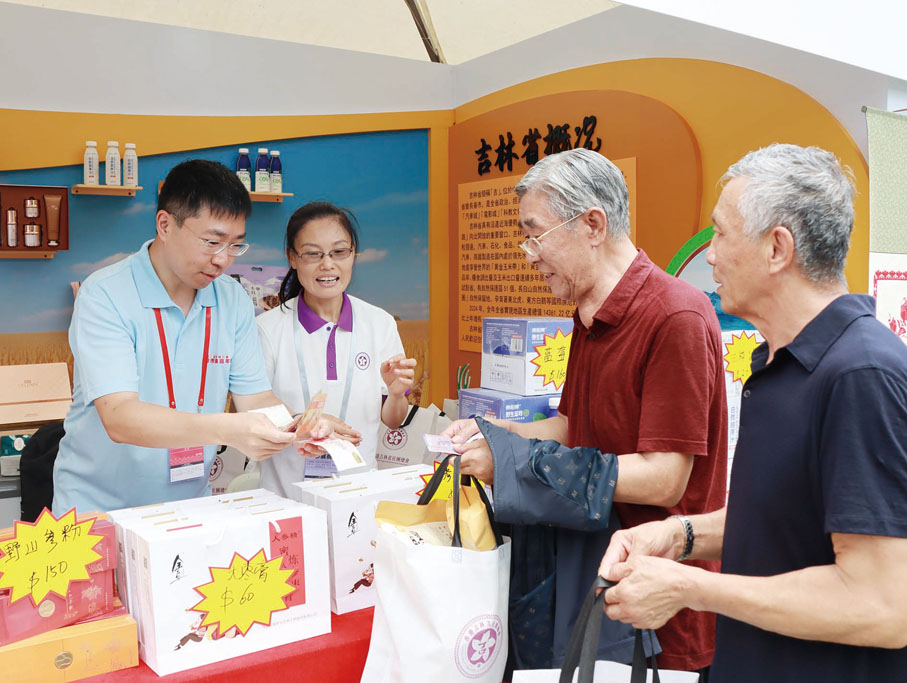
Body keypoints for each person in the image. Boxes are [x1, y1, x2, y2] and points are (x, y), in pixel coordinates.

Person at [598, 143, 907, 681]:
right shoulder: (778, 363)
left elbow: (880, 604)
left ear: (777, 248)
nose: (710, 255)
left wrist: (690, 588)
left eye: (720, 233)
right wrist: (681, 536)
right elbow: (787, 522)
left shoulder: (861, 376)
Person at [443, 148, 727, 673]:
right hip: (594, 576)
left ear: (592, 224)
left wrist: (517, 466)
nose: (528, 253)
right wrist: (495, 431)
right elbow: (576, 426)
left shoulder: (676, 316)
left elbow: (665, 478)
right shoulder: (588, 312)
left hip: (661, 606)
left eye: (536, 233)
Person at [52, 160, 321, 514]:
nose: (223, 259)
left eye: (235, 245)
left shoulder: (232, 299)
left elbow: (256, 398)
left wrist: (302, 425)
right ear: (165, 224)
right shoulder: (104, 294)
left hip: (190, 506)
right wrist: (227, 429)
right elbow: (119, 416)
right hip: (98, 510)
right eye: (212, 242)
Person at [255, 202, 416, 496]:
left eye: (339, 252)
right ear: (292, 257)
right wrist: (306, 423)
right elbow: (257, 413)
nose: (327, 265)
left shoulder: (379, 323)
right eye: (313, 254)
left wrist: (395, 394)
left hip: (358, 493)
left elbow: (393, 420)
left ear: (353, 253)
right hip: (285, 495)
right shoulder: (267, 328)